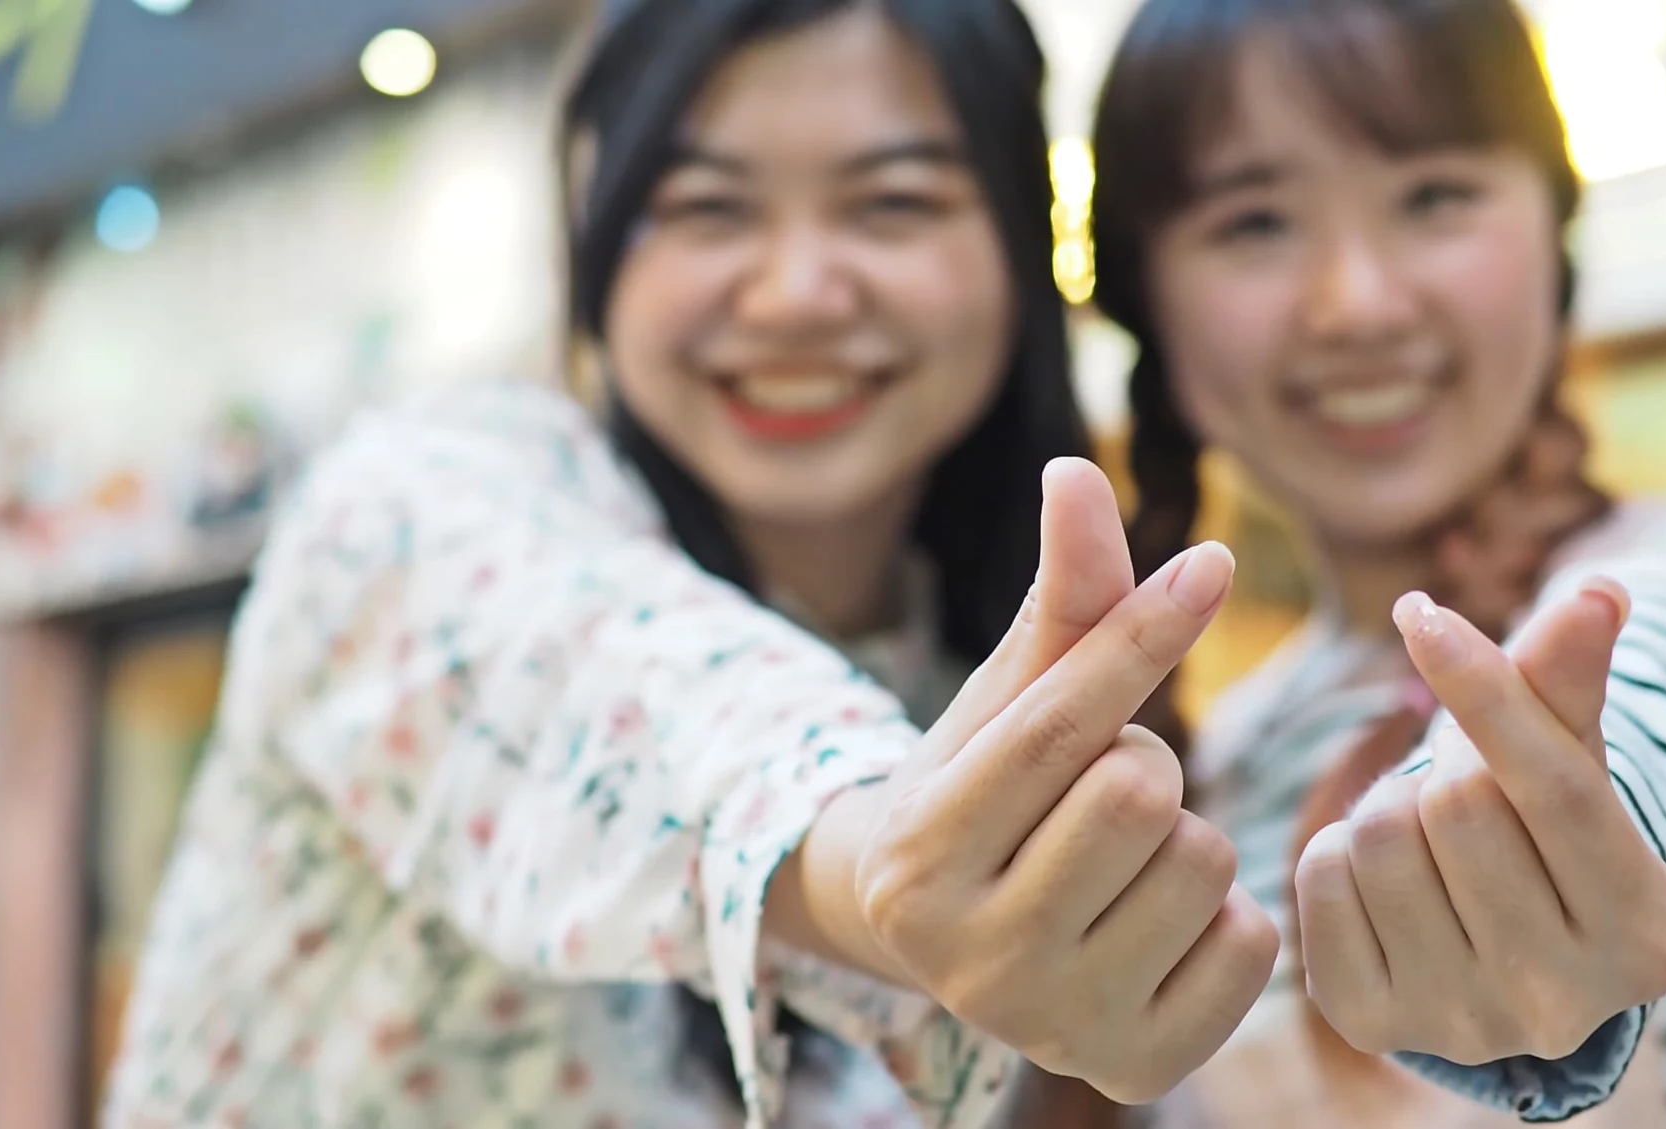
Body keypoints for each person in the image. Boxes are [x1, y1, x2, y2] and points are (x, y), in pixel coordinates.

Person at [100, 1, 1282, 1126]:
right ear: (601, 241)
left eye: (892, 203)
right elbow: (627, 690)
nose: (795, 293)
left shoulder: (993, 663)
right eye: (708, 208)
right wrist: (879, 848)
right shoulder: (424, 499)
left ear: (1020, 251)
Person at [1082, 0, 1666, 1125]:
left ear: (1554, 229)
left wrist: (1587, 781)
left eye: (1434, 197)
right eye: (1256, 222)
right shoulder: (1187, 792)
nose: (1357, 302)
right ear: (1146, 305)